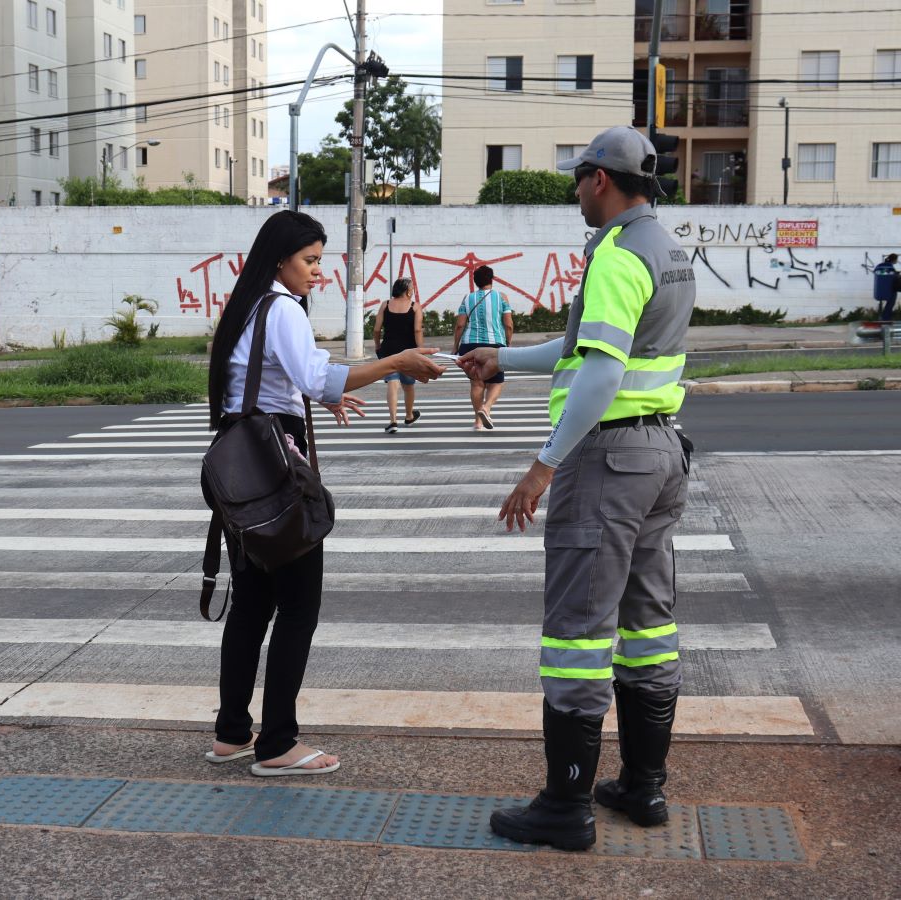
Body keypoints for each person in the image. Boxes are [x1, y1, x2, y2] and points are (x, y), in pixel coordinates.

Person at [459, 125, 696, 851]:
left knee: (577, 638)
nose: (575, 190)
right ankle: (643, 787)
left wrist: (543, 465)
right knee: (646, 625)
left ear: (600, 179)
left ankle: (565, 808)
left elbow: (599, 374)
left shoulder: (618, 255)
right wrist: (502, 362)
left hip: (608, 460)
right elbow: (580, 349)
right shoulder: (667, 248)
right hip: (659, 454)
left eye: (579, 177)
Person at [205, 210, 444, 776]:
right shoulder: (282, 307)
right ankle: (278, 744)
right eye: (311, 260)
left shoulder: (244, 306)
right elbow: (313, 375)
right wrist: (396, 362)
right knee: (298, 606)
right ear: (281, 259)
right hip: (276, 463)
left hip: (241, 459)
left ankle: (231, 733)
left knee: (251, 603)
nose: (319, 271)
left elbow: (264, 379)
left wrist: (315, 394)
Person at [453, 266, 513, 431]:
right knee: (497, 381)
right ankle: (486, 408)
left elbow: (460, 325)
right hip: (494, 345)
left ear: (475, 281)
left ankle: (477, 422)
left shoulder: (467, 298)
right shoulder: (502, 297)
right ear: (492, 279)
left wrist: (455, 346)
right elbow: (508, 324)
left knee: (476, 383)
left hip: (470, 345)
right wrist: (508, 342)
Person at [372, 277, 424, 433]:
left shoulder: (385, 305)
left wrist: (377, 345)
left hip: (388, 349)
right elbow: (417, 330)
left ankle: (393, 421)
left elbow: (376, 329)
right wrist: (420, 350)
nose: (413, 290)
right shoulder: (415, 307)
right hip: (409, 352)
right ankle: (408, 416)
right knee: (408, 385)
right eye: (412, 288)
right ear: (408, 291)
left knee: (392, 383)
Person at [872, 253, 898, 322]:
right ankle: (886, 317)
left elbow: (875, 272)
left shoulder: (879, 265)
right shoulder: (890, 267)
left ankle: (884, 316)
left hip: (879, 290)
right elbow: (893, 276)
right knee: (892, 300)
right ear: (894, 260)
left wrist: (883, 272)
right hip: (889, 289)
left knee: (885, 300)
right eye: (896, 260)